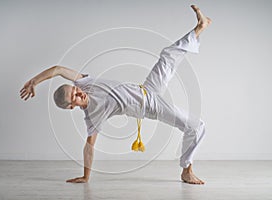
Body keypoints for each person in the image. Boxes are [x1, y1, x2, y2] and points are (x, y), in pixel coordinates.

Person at [20, 5, 211, 184]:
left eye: (75, 89)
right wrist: (86, 176)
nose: (80, 93)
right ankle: (187, 170)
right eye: (75, 97)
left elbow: (59, 69)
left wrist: (34, 81)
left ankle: (200, 27)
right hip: (151, 107)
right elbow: (89, 147)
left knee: (168, 54)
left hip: (147, 88)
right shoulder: (93, 117)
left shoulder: (86, 84)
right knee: (196, 126)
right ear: (72, 107)